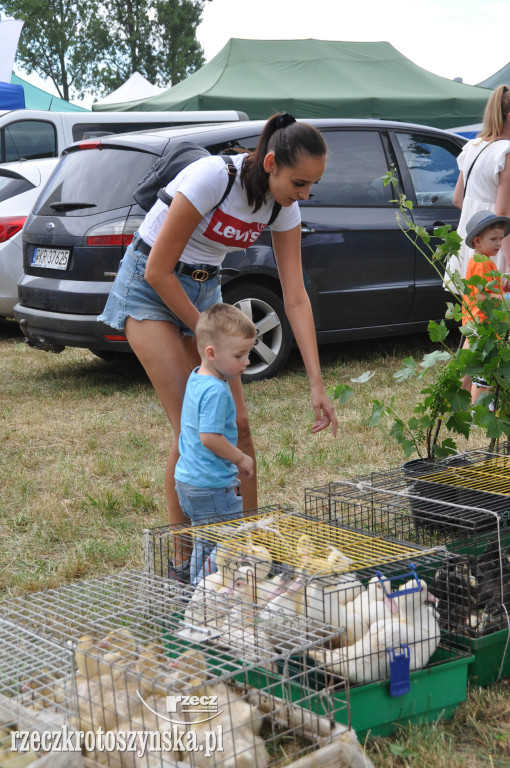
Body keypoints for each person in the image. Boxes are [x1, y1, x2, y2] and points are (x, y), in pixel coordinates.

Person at [98, 112, 338, 560]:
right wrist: (205, 331)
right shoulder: (213, 177)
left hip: (206, 292)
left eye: (312, 186)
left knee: (238, 425)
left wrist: (316, 384)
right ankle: (181, 558)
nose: (304, 194)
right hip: (150, 289)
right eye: (299, 183)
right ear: (270, 164)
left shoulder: (283, 207)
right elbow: (157, 270)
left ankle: (248, 548)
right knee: (189, 429)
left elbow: (296, 298)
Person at [173, 303, 256, 585]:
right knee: (228, 547)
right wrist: (240, 458)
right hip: (211, 488)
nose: (246, 361)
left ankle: (193, 594)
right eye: (239, 355)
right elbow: (210, 438)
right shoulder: (217, 391)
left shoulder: (197, 377)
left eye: (247, 353)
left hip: (188, 483)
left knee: (205, 544)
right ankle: (204, 597)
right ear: (211, 352)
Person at [452, 85, 510, 290]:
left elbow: (458, 199)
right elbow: (503, 213)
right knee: (499, 316)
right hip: (498, 247)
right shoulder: (506, 152)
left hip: (473, 244)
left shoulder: (472, 146)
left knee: (475, 314)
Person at [461, 210, 510, 404]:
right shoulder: (481, 264)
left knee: (468, 365)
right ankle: (477, 408)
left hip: (475, 321)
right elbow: (481, 296)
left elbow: (486, 288)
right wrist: (504, 298)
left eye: (500, 238)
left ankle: (463, 400)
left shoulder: (482, 261)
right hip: (483, 324)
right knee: (483, 370)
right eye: (493, 239)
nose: (499, 243)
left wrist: (501, 286)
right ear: (477, 241)